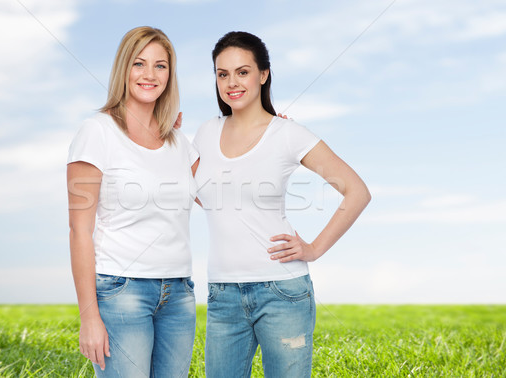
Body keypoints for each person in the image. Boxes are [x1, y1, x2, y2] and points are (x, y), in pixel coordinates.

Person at [192, 31, 371, 377]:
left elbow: (357, 191)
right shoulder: (205, 132)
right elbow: (204, 194)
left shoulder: (288, 134)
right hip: (222, 294)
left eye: (242, 72)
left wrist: (314, 248)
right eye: (222, 73)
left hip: (282, 292)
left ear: (263, 75)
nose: (232, 82)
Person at [66, 26, 199, 377]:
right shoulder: (97, 132)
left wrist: (264, 129)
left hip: (180, 294)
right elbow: (79, 230)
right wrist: (89, 317)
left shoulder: (180, 142)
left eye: (161, 66)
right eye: (139, 64)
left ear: (170, 75)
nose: (149, 75)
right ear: (123, 69)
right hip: (121, 292)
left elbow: (220, 197)